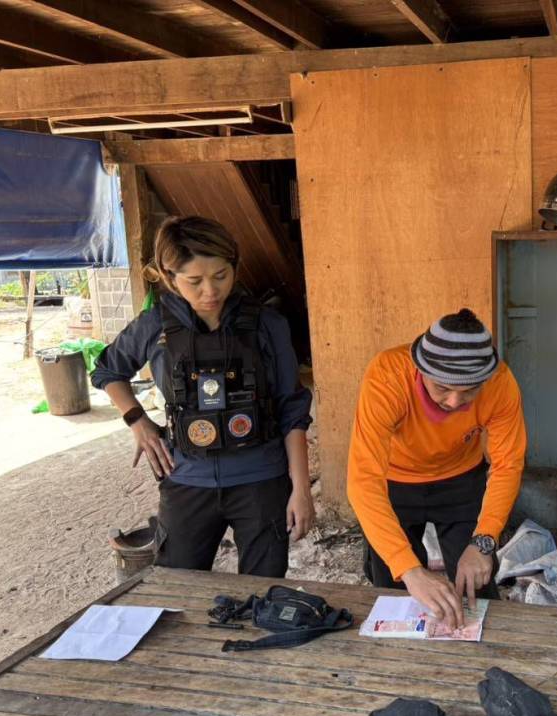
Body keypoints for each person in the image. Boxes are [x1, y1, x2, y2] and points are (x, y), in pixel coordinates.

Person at [91, 215, 314, 577]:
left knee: (261, 589)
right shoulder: (155, 324)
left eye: (221, 275)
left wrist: (301, 489)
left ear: (234, 266)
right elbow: (107, 371)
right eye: (194, 281)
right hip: (187, 479)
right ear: (169, 277)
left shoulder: (267, 324)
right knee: (178, 585)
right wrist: (138, 421)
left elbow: (292, 409)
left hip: (261, 479)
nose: (210, 291)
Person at [348, 309, 527, 629]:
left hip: (462, 480)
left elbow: (507, 464)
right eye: (443, 388)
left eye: (469, 390)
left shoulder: (500, 382)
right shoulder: (387, 376)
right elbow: (363, 480)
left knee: (476, 585)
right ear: (420, 370)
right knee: (395, 587)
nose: (455, 401)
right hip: (395, 482)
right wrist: (410, 570)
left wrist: (484, 540)